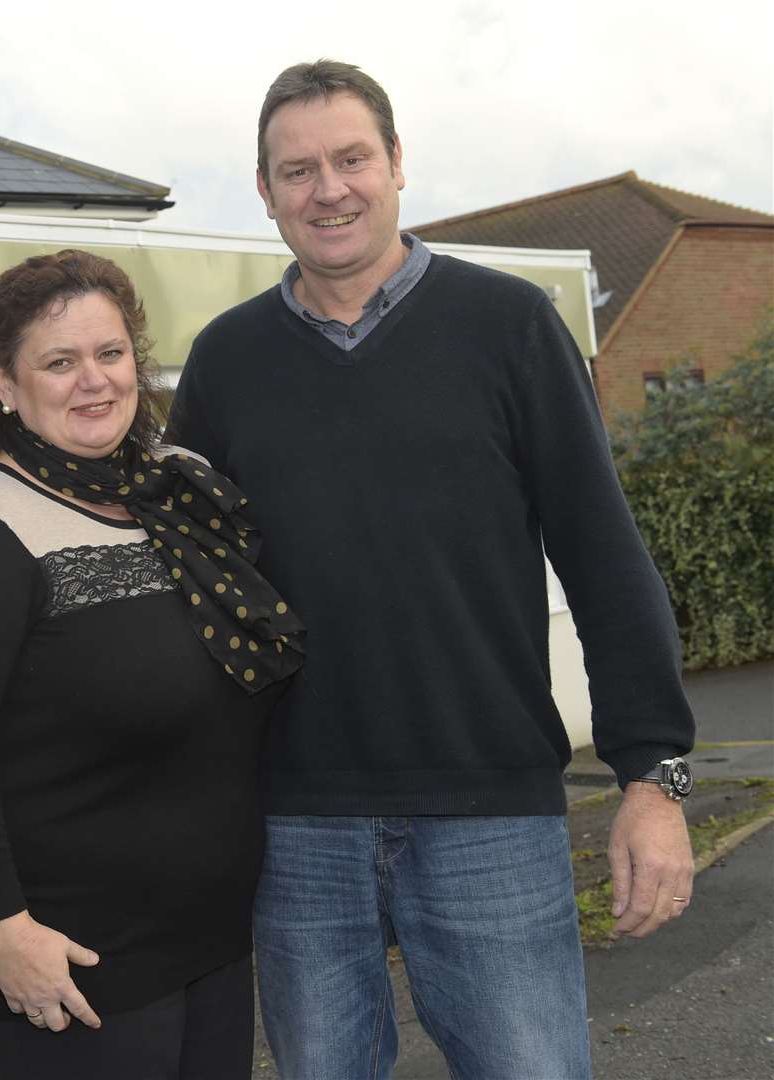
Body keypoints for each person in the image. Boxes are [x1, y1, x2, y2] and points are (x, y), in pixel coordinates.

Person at [167, 60, 696, 1079]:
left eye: (352, 158)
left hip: (489, 810)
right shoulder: (226, 362)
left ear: (398, 164)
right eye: (298, 170)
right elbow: (192, 600)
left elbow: (604, 559)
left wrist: (654, 776)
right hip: (295, 821)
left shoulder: (508, 328)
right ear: (267, 191)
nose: (329, 189)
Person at [0, 249, 304, 1079]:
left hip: (211, 933)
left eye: (109, 353)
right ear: (6, 385)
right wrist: (5, 932)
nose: (93, 381)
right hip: (75, 957)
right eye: (58, 361)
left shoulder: (180, 489)